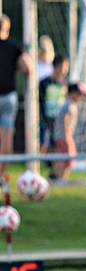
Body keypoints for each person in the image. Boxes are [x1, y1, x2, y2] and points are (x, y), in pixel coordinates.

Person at [0, 15, 32, 175]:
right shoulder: (14, 47)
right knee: (6, 137)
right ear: (7, 28)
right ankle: (0, 174)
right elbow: (27, 68)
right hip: (9, 97)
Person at [51, 82, 86, 181]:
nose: (82, 97)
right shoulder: (69, 106)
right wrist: (68, 138)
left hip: (62, 136)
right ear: (73, 93)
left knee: (63, 158)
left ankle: (58, 177)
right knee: (67, 159)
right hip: (64, 137)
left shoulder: (69, 104)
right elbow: (66, 121)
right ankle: (60, 178)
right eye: (80, 94)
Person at [39, 53, 69, 152]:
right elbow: (41, 101)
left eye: (66, 67)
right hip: (46, 119)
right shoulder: (44, 83)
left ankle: (55, 166)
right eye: (62, 67)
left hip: (60, 120)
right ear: (56, 66)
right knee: (44, 144)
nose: (64, 70)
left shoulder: (65, 84)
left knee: (59, 145)